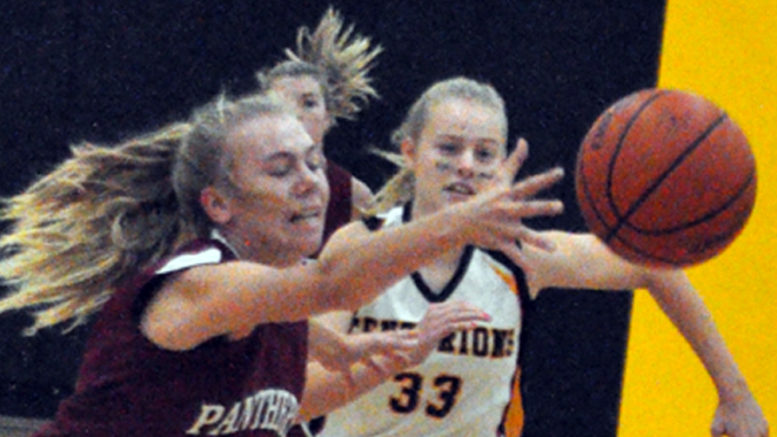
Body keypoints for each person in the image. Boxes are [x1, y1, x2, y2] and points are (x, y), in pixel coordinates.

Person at [0, 90, 566, 436]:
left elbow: (290, 403)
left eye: (314, 163)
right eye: (280, 170)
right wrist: (463, 220)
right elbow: (334, 285)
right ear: (219, 203)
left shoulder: (280, 306)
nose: (309, 184)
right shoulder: (201, 284)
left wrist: (383, 360)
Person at [306, 77, 769, 437]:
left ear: (503, 161)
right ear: (411, 152)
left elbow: (651, 266)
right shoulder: (359, 248)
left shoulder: (519, 256)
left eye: (484, 153)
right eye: (449, 148)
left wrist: (735, 392)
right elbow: (305, 393)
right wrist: (402, 352)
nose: (467, 164)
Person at [257, 7, 378, 246]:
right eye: (281, 104)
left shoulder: (354, 195)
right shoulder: (245, 185)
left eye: (309, 103)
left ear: (328, 116)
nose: (295, 115)